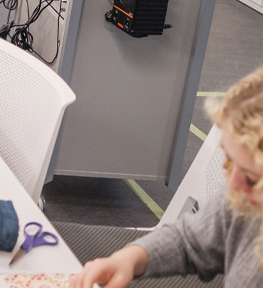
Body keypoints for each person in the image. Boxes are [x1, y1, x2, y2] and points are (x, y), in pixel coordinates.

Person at [70, 65, 263, 288]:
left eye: (252, 178)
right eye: (229, 161)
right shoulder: (243, 201)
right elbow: (189, 240)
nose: (234, 183)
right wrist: (131, 258)